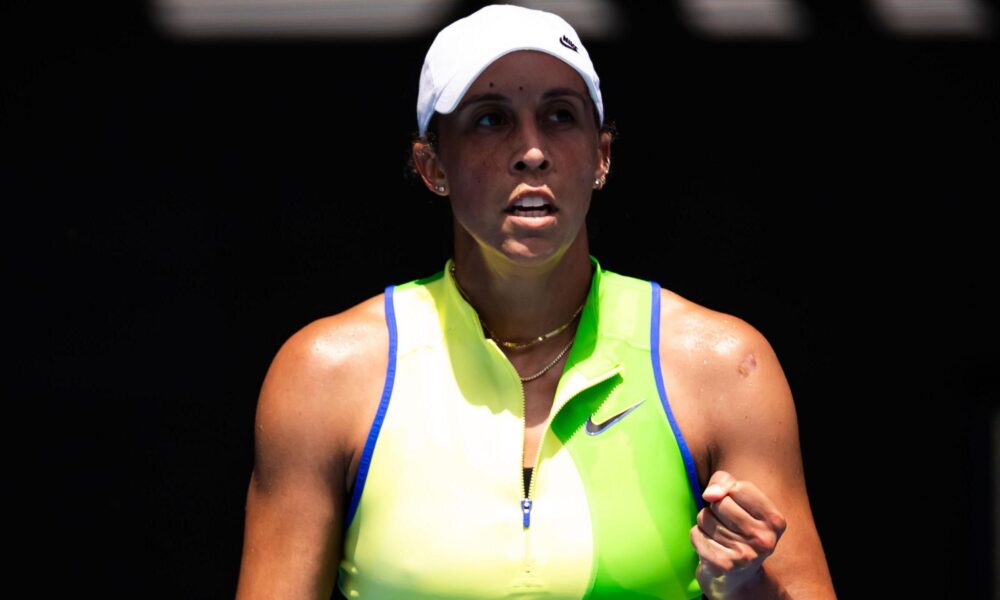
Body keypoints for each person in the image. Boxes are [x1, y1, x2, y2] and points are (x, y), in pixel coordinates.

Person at [235, 4, 836, 599]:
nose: (532, 150)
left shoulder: (726, 367)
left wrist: (746, 586)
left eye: (559, 116)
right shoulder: (324, 375)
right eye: (491, 120)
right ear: (431, 165)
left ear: (602, 157)